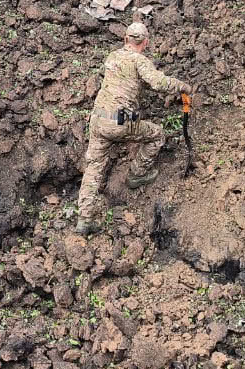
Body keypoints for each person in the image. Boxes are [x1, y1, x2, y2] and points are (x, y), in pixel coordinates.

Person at [76, 22, 191, 235]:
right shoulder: (139, 61)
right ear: (145, 42)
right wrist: (183, 86)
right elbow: (159, 83)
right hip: (119, 123)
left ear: (125, 39)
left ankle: (84, 219)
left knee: (94, 167)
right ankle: (136, 175)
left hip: (98, 120)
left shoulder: (112, 57)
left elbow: (117, 79)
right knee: (156, 134)